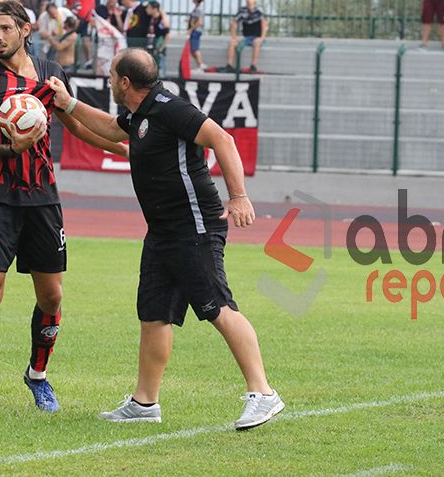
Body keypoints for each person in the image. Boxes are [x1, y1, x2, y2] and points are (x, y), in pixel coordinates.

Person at [45, 48, 285, 429]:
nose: (109, 81)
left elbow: (222, 139)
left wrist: (238, 196)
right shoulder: (138, 114)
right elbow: (110, 127)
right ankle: (144, 403)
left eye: (112, 75)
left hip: (194, 227)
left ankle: (264, 393)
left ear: (125, 82)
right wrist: (69, 103)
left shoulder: (168, 107)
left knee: (218, 307)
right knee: (154, 314)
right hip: (162, 232)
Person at [0, 0, 127, 417]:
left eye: (5, 29)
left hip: (43, 198)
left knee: (51, 296)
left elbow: (79, 125)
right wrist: (9, 148)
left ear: (25, 30)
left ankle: (37, 375)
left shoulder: (52, 75)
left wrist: (126, 150)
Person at [220, 0, 267, 74]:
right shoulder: (242, 11)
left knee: (256, 42)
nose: (249, 0)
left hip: (256, 37)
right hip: (246, 37)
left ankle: (253, 65)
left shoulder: (259, 11)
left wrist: (262, 37)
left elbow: (264, 23)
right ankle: (229, 65)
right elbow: (233, 23)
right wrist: (234, 36)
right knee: (232, 42)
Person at [65, 0, 94, 65]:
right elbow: (68, 4)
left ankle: (89, 61)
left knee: (86, 40)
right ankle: (74, 61)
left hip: (86, 20)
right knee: (73, 41)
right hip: (74, 20)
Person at [186, 0, 204, 71]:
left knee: (195, 48)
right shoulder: (196, 9)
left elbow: (199, 21)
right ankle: (199, 64)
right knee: (192, 49)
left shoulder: (199, 9)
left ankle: (200, 65)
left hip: (196, 31)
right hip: (195, 30)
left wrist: (191, 29)